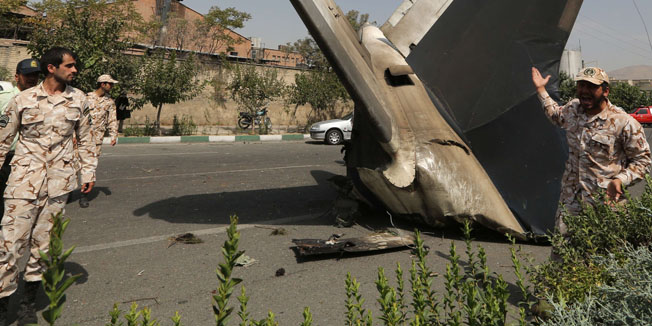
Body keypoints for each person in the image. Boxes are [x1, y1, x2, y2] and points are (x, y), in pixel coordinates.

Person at [0, 47, 97, 325]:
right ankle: (3, 306)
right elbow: (2, 139)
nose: (75, 70)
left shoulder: (79, 99)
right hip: (22, 183)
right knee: (9, 245)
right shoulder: (23, 99)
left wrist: (88, 172)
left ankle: (28, 305)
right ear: (52, 68)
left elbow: (87, 139)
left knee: (43, 247)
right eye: (70, 65)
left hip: (58, 185)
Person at [531, 66, 651, 236]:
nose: (584, 91)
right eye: (581, 85)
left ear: (605, 91)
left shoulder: (623, 122)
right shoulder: (573, 109)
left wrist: (620, 180)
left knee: (603, 258)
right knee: (563, 257)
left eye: (592, 87)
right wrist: (541, 89)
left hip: (605, 206)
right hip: (570, 203)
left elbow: (643, 161)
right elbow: (555, 114)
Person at [0, 59, 41, 216]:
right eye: (27, 75)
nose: (32, 79)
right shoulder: (4, 98)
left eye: (35, 75)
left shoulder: (41, 101)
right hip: (6, 158)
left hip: (29, 159)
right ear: (17, 77)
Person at [79, 74, 118, 208]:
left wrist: (113, 135)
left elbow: (112, 119)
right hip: (80, 137)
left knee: (90, 166)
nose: (111, 86)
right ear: (103, 84)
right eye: (110, 84)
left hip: (97, 139)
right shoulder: (86, 97)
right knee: (72, 165)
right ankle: (66, 192)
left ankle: (83, 195)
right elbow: (77, 116)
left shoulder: (110, 102)